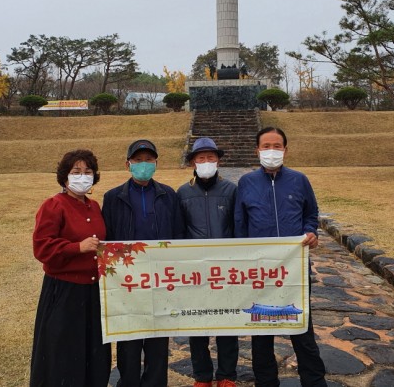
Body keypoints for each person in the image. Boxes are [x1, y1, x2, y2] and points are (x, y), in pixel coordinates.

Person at [234, 127, 327, 387]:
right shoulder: (246, 183)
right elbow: (240, 223)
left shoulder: (299, 180)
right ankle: (266, 382)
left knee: (301, 328)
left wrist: (311, 232)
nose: (271, 151)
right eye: (266, 146)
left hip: (293, 268)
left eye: (277, 146)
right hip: (260, 270)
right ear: (257, 150)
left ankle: (314, 381)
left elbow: (311, 213)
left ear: (285, 149)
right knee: (261, 332)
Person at [102, 139, 185, 387]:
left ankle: (155, 382)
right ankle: (128, 382)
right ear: (128, 164)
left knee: (158, 337)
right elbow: (108, 237)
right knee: (129, 337)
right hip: (127, 278)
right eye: (138, 160)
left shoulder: (168, 195)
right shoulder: (113, 197)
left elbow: (178, 234)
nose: (144, 165)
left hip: (160, 277)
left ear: (156, 163)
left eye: (149, 160)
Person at [30, 149, 111, 387]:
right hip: (64, 292)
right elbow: (42, 248)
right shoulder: (53, 205)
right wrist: (77, 247)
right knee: (63, 352)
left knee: (93, 350)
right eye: (76, 172)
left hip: (93, 291)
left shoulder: (94, 206)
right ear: (65, 177)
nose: (82, 176)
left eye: (88, 172)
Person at [177, 137, 239, 387]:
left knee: (227, 322)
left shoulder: (231, 190)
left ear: (218, 161)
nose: (206, 162)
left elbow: (238, 227)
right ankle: (202, 376)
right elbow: (179, 231)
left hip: (225, 268)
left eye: (210, 157)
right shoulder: (183, 192)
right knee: (197, 323)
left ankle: (227, 375)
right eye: (200, 158)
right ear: (193, 162)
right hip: (195, 269)